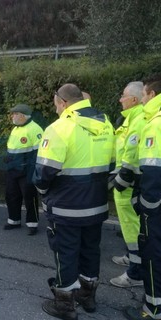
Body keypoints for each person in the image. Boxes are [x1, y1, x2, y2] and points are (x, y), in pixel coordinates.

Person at [33, 84, 114, 320]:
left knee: (66, 253)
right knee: (91, 250)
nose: (55, 108)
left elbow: (43, 173)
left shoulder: (59, 128)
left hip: (66, 206)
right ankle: (87, 296)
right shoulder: (106, 124)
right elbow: (112, 165)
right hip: (96, 204)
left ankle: (65, 305)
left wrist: (42, 192)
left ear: (63, 102)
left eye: (55, 103)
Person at [124, 75, 161, 320]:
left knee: (153, 253)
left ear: (150, 95)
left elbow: (153, 169)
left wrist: (145, 204)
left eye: (146, 95)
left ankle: (153, 308)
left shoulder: (154, 123)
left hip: (156, 205)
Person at [109, 82, 145, 288]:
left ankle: (135, 274)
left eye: (123, 96)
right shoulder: (130, 119)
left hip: (129, 183)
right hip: (125, 181)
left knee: (134, 230)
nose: (120, 100)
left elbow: (132, 156)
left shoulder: (138, 121)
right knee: (130, 228)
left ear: (134, 99)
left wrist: (122, 181)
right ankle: (131, 258)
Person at [3, 104, 43, 236]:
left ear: (22, 116)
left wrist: (32, 173)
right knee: (11, 195)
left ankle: (33, 224)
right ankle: (14, 220)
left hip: (27, 171)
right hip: (12, 170)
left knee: (29, 197)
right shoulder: (16, 128)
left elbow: (39, 154)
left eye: (15, 114)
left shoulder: (34, 129)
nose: (12, 116)